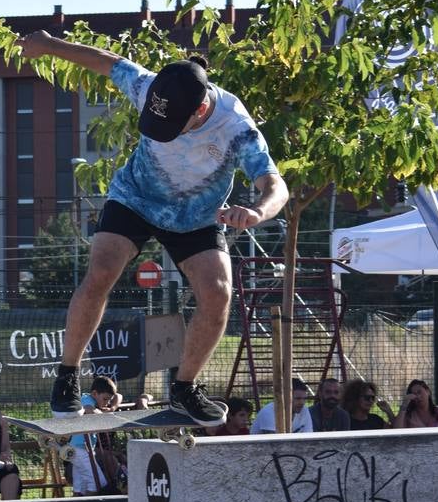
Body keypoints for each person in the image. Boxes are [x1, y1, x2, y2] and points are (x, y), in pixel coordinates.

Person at [17, 30, 289, 427]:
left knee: (218, 294)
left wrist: (258, 212)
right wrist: (49, 44)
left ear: (198, 112)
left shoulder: (236, 127)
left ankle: (185, 387)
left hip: (195, 218)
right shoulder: (150, 87)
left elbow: (274, 184)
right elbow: (104, 60)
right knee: (102, 272)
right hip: (136, 199)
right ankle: (68, 375)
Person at [68, 376, 122, 496]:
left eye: (109, 400)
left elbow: (118, 395)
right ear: (95, 393)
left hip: (80, 449)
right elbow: (89, 411)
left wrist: (112, 407)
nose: (106, 403)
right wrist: (105, 414)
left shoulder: (94, 400)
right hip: (80, 448)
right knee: (97, 482)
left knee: (81, 484)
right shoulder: (87, 399)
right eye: (105, 399)